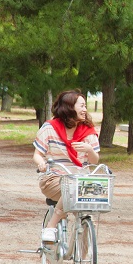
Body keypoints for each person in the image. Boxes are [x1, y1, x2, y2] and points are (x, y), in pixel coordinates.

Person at [32, 90, 100, 244]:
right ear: (69, 107)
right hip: (53, 179)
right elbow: (37, 154)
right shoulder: (50, 128)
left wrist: (89, 150)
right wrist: (41, 163)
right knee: (71, 186)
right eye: (81, 106)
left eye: (85, 106)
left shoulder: (88, 131)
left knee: (88, 222)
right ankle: (51, 226)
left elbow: (94, 160)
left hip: (80, 180)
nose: (85, 110)